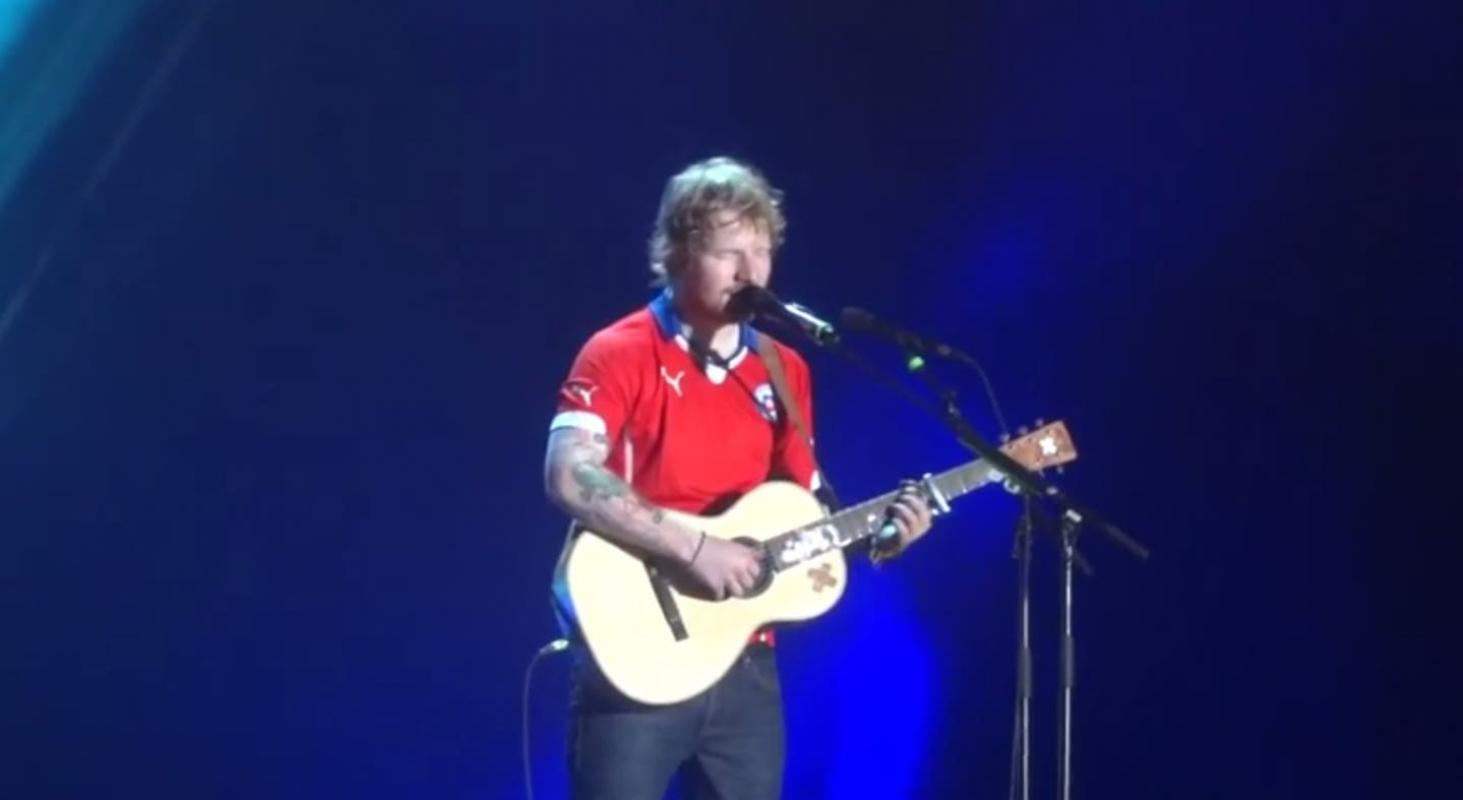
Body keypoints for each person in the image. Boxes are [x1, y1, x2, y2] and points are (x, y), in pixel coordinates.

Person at [543, 155, 934, 800]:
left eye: (762, 252)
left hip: (746, 665)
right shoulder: (618, 351)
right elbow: (568, 474)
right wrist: (694, 548)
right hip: (635, 653)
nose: (751, 273)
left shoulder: (785, 370)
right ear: (678, 254)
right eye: (730, 253)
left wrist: (879, 535)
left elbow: (804, 512)